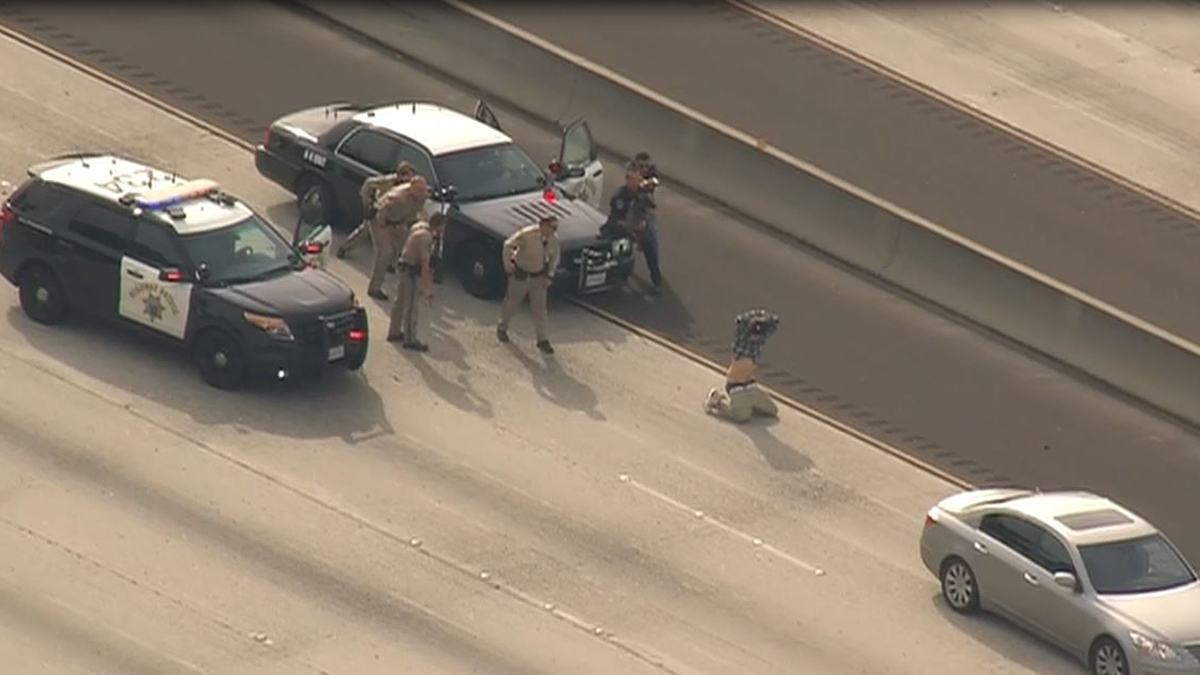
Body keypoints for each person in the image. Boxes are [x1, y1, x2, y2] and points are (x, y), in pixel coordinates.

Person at [497, 215, 561, 354]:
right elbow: (508, 245)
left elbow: (555, 257)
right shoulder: (527, 234)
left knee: (540, 310)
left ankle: (542, 339)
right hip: (521, 274)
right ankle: (502, 327)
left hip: (538, 277)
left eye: (556, 228)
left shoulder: (553, 240)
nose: (554, 230)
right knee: (512, 304)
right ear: (543, 225)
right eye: (552, 227)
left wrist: (550, 275)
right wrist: (509, 267)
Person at [704, 309, 781, 423]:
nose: (756, 338)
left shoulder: (758, 342)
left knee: (772, 410)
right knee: (742, 417)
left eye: (758, 335)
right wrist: (752, 320)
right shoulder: (742, 342)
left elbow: (774, 322)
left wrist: (762, 317)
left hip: (750, 384)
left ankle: (746, 403)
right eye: (754, 335)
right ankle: (717, 400)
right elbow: (740, 321)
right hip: (736, 385)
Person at [387, 212, 446, 350]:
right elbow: (425, 264)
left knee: (399, 303)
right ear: (438, 226)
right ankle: (410, 339)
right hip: (411, 272)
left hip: (403, 266)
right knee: (412, 307)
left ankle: (394, 332)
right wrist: (427, 289)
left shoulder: (419, 227)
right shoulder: (426, 238)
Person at [337, 161, 416, 259]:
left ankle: (391, 263)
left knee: (398, 238)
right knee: (364, 232)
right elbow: (368, 184)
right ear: (400, 175)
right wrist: (367, 205)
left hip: (393, 216)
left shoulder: (410, 188)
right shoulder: (389, 181)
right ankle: (344, 248)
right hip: (378, 211)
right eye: (407, 176)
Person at [602, 163, 663, 291]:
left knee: (651, 245)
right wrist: (627, 226)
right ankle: (610, 272)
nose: (636, 183)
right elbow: (615, 218)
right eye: (633, 180)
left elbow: (651, 207)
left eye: (639, 180)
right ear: (627, 179)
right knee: (607, 237)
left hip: (641, 226)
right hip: (623, 225)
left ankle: (656, 280)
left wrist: (647, 191)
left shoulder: (643, 192)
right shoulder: (620, 196)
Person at [367, 175, 428, 300]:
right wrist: (384, 229)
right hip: (380, 220)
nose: (422, 193)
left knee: (404, 246)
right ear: (412, 189)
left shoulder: (421, 197)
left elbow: (418, 212)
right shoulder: (398, 197)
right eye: (419, 190)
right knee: (385, 252)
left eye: (423, 190)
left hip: (397, 221)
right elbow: (381, 210)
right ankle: (374, 288)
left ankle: (399, 273)